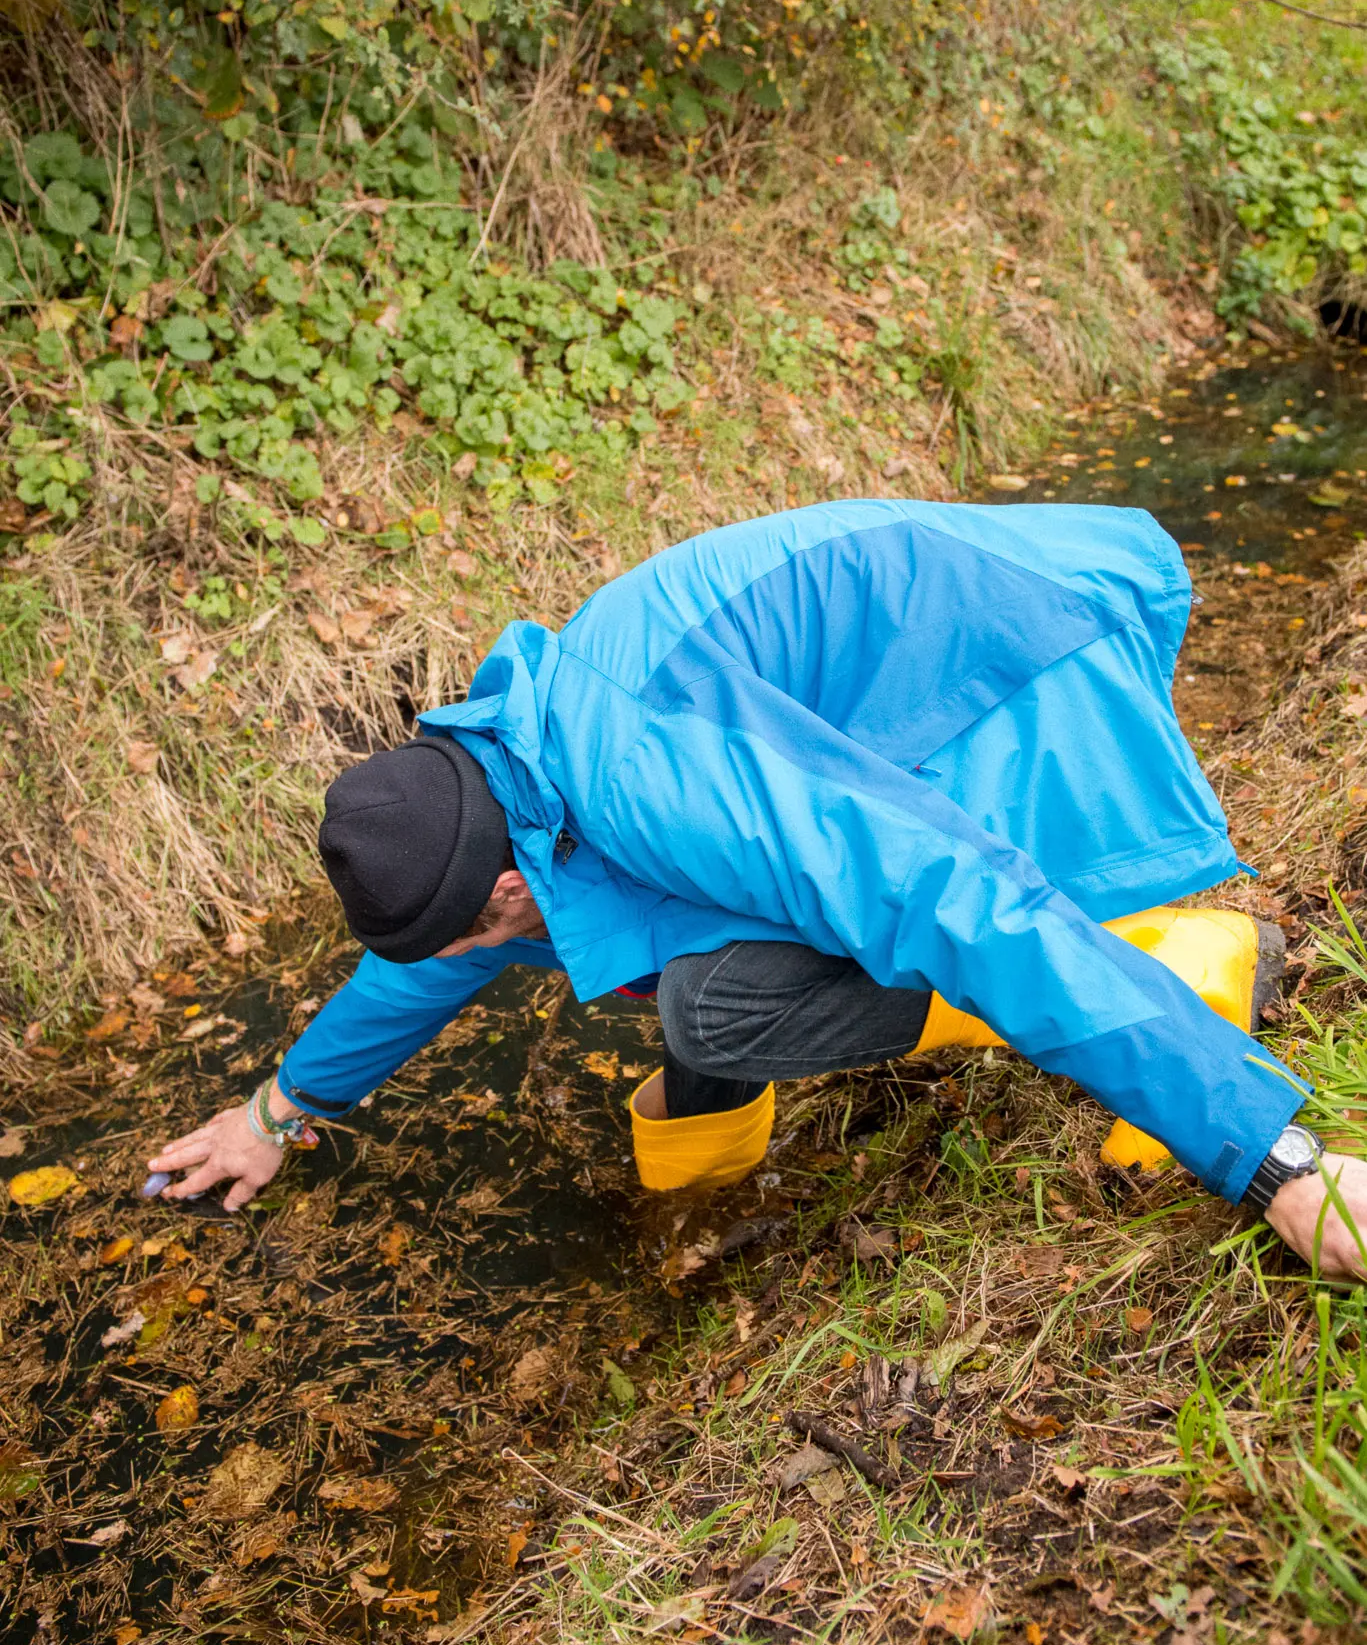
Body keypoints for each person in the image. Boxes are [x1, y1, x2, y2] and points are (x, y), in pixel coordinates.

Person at [148, 498, 1367, 1279]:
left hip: (1021, 665)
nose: (473, 949)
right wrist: (274, 1112)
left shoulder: (651, 778)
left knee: (711, 1007)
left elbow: (945, 889)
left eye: (480, 930)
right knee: (684, 974)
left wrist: (1269, 1161)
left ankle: (1173, 951)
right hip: (907, 694)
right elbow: (422, 966)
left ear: (505, 881)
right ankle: (708, 1208)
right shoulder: (499, 777)